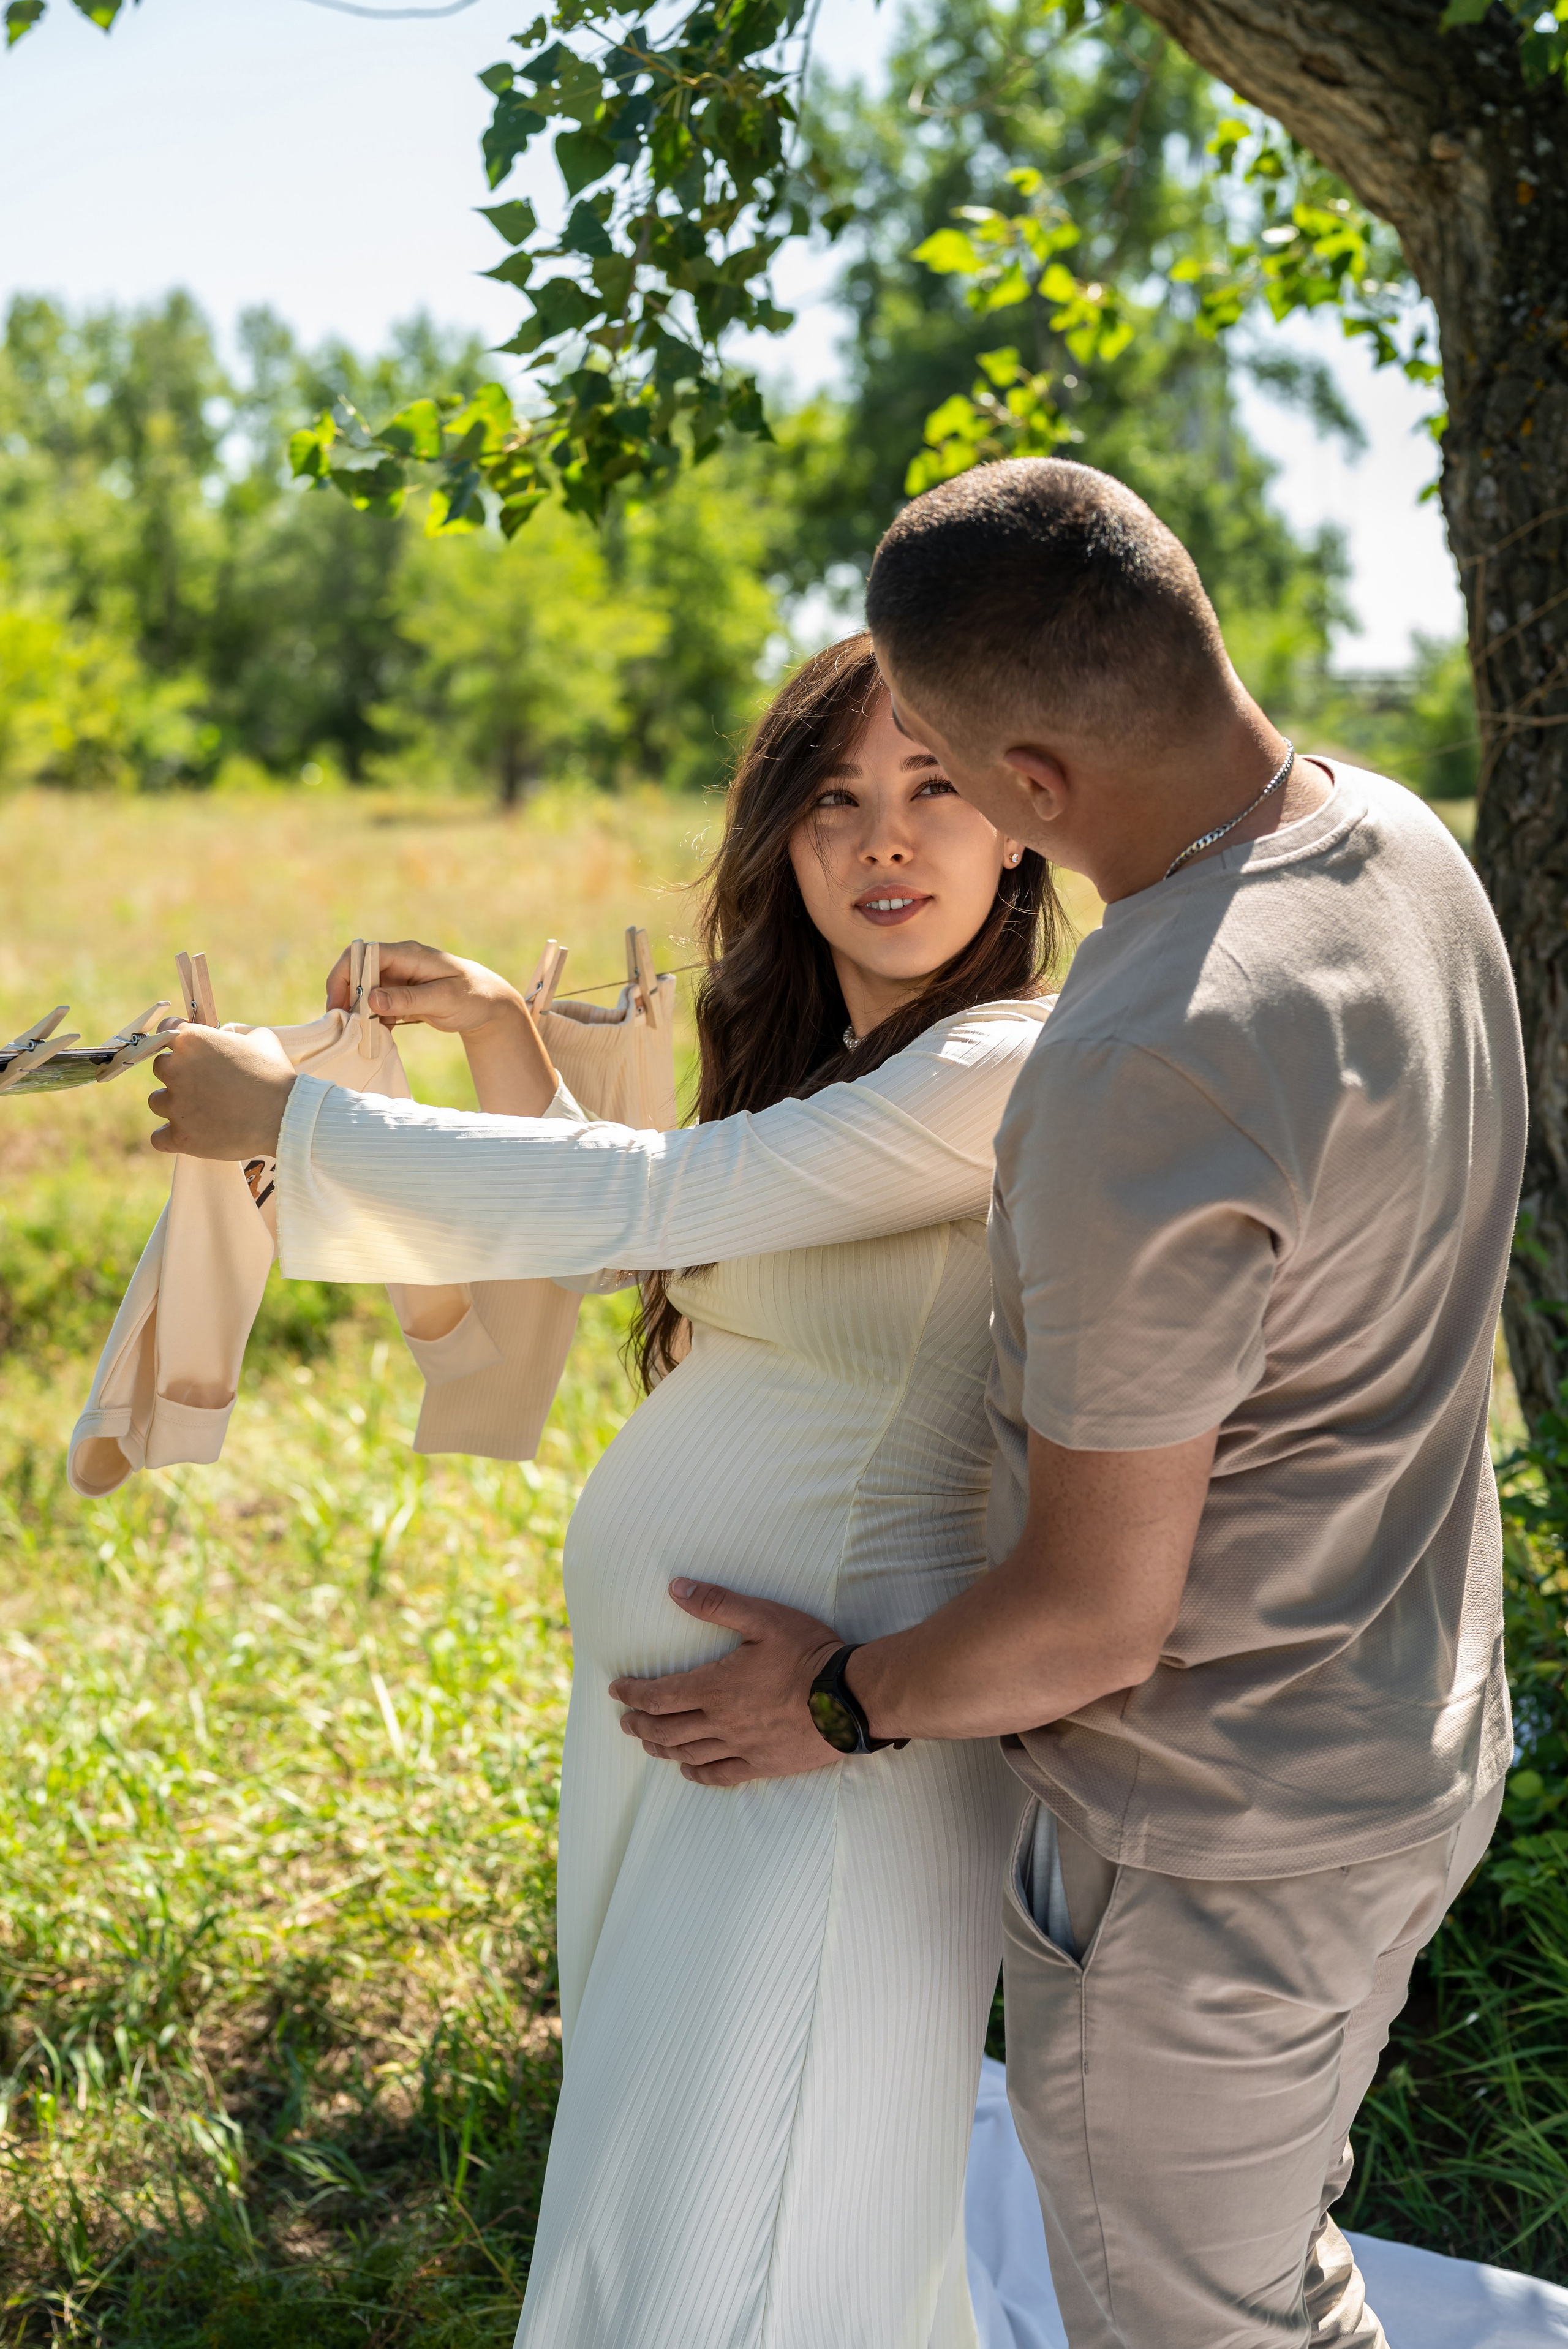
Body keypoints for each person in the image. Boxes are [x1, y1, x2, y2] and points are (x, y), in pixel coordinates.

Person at [603, 461, 1527, 2349]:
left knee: (1201, 2321)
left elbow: (1101, 1607)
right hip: (1411, 1743)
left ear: (1029, 789)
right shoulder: (1391, 840)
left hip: (1221, 1841)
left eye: (937, 766)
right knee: (1260, 2273)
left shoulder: (1145, 1053)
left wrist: (838, 1699)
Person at [144, 635, 1060, 2349]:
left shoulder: (1002, 1067)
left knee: (758, 2206)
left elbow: (674, 1194)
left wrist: (297, 1123)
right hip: (701, 1739)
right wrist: (502, 1033)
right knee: (682, 2174)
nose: (886, 840)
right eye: (837, 799)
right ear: (782, 840)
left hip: (839, 1749)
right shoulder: (839, 1076)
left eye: (938, 789)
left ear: (1022, 819)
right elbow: (690, 1216)